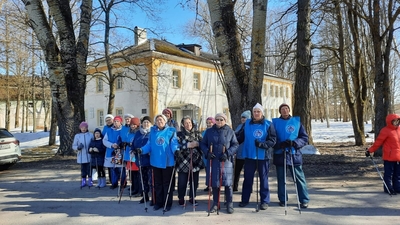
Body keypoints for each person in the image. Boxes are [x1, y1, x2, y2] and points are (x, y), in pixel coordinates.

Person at [236, 103, 276, 210]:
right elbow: (240, 137)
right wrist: (230, 143)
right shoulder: (247, 123)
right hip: (249, 155)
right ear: (252, 113)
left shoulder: (268, 124)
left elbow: (272, 140)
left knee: (263, 179)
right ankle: (245, 199)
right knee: (247, 179)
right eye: (255, 112)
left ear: (262, 113)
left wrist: (263, 145)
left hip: (263, 156)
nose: (256, 113)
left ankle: (264, 201)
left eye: (258, 111)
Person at [136, 114, 179, 212]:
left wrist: (176, 150)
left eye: (161, 120)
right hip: (155, 162)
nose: (159, 122)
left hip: (168, 162)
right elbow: (149, 145)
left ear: (165, 121)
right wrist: (141, 150)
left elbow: (174, 143)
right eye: (158, 120)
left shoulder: (171, 131)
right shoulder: (153, 132)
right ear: (155, 122)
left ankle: (167, 203)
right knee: (158, 184)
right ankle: (159, 202)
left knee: (167, 184)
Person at [272, 103, 309, 208]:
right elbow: (271, 137)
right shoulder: (275, 123)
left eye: (286, 109)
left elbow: (304, 137)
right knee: (281, 178)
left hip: (294, 154)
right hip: (280, 154)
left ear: (289, 110)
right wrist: (279, 144)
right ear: (280, 111)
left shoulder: (296, 122)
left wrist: (294, 143)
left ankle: (304, 199)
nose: (285, 111)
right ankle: (283, 199)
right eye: (282, 109)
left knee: (299, 178)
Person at [201, 113, 238, 214]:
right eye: (217, 119)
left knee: (228, 183)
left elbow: (235, 144)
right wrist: (207, 153)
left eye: (221, 119)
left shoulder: (230, 132)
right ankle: (215, 203)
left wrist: (227, 153)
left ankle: (229, 203)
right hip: (213, 161)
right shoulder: (209, 132)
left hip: (225, 161)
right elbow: (203, 144)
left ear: (225, 121)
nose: (219, 121)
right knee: (215, 184)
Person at [366, 114, 400, 195]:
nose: (396, 122)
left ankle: (397, 187)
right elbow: (378, 142)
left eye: (397, 121)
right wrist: (370, 150)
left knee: (398, 174)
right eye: (395, 121)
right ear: (390, 122)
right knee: (388, 174)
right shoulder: (385, 130)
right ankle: (388, 188)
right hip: (389, 157)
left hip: (398, 157)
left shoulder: (399, 130)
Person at [176, 115, 205, 206]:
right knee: (182, 181)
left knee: (194, 181)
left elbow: (203, 144)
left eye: (189, 123)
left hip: (195, 160)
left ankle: (192, 197)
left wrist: (197, 144)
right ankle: (181, 197)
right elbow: (176, 146)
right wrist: (187, 145)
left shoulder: (197, 133)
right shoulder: (179, 134)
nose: (188, 124)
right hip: (183, 161)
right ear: (183, 125)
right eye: (186, 123)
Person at [132, 116, 152, 204]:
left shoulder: (152, 133)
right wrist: (133, 149)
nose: (146, 124)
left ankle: (153, 196)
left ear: (151, 124)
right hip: (140, 160)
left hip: (150, 160)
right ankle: (145, 195)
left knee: (151, 180)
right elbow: (133, 143)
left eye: (148, 122)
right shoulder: (138, 133)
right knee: (142, 179)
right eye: (144, 122)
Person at [103, 116, 124, 190]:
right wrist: (111, 145)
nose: (116, 123)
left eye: (117, 121)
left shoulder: (123, 130)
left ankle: (122, 183)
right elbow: (104, 140)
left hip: (120, 152)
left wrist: (119, 145)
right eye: (115, 121)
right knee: (113, 168)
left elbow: (124, 139)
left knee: (120, 169)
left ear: (120, 122)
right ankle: (114, 183)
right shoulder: (109, 131)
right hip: (111, 151)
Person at [233, 110, 251, 192]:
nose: (243, 119)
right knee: (237, 171)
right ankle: (234, 186)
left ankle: (248, 188)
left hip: (248, 153)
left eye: (245, 117)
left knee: (248, 172)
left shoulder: (250, 126)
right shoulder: (239, 126)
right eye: (242, 117)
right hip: (239, 152)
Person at [122, 117, 141, 196]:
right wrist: (124, 143)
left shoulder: (138, 133)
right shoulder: (128, 132)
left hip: (135, 155)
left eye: (134, 125)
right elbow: (125, 140)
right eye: (131, 125)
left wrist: (132, 145)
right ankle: (133, 186)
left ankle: (137, 188)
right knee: (131, 172)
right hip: (128, 154)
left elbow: (138, 142)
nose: (132, 126)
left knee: (136, 173)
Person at [72, 122, 94, 188]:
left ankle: (90, 180)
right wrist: (78, 147)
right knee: (83, 169)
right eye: (82, 128)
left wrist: (92, 148)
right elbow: (74, 146)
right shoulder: (77, 136)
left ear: (87, 128)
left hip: (89, 155)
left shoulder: (90, 135)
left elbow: (93, 143)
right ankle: (83, 180)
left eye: (85, 128)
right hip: (81, 155)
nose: (83, 129)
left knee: (89, 169)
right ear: (80, 128)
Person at [202, 116, 215, 192]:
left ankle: (213, 185)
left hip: (213, 153)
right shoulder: (204, 131)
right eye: (207, 123)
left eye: (210, 123)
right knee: (207, 170)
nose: (208, 124)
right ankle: (208, 184)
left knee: (213, 171)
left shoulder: (214, 131)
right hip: (206, 154)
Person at [102, 114, 115, 184]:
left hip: (116, 148)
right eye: (107, 120)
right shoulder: (105, 128)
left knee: (117, 165)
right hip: (108, 148)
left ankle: (117, 179)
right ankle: (111, 179)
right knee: (110, 165)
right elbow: (103, 137)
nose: (108, 121)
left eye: (109, 120)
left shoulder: (115, 127)